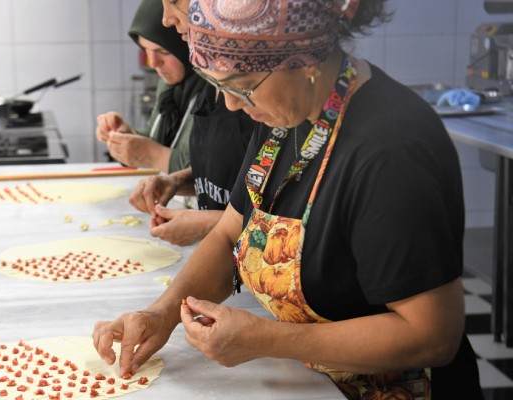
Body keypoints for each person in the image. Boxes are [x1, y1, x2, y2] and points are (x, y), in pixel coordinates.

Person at [93, 0, 484, 398]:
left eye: (242, 86)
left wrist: (267, 339)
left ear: (304, 61)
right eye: (220, 86)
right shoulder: (285, 117)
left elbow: (431, 334)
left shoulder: (391, 149)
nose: (231, 104)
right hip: (317, 382)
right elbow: (231, 232)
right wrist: (162, 313)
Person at [128, 0, 260, 246]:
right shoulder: (210, 87)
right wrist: (176, 181)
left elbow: (288, 220)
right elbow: (226, 173)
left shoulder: (264, 100)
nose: (166, 19)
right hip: (219, 260)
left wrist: (210, 225)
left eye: (174, 2)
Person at [95, 0, 206, 174]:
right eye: (145, 50)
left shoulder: (218, 92)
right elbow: (157, 141)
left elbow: (217, 174)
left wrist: (154, 155)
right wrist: (127, 138)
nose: (153, 63)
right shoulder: (170, 87)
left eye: (164, 52)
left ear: (188, 46)